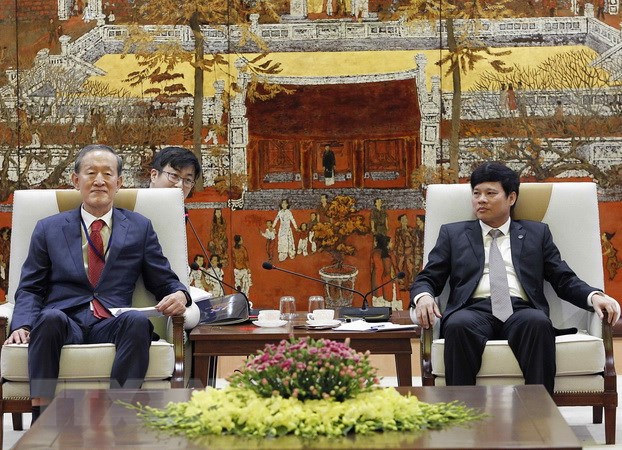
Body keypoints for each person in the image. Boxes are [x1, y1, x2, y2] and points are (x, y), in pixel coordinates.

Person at [4, 144, 191, 421]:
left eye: (107, 174)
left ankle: (120, 418)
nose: (99, 181)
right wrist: (22, 324)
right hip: (64, 321)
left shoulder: (139, 227)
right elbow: (31, 286)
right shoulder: (48, 228)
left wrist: (180, 295)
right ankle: (43, 419)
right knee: (49, 318)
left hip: (112, 321)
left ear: (119, 182)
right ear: (76, 180)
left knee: (137, 322)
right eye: (91, 173)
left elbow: (163, 280)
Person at [410, 161, 620, 395]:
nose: (481, 200)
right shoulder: (453, 234)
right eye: (476, 193)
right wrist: (423, 297)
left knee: (538, 323)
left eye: (490, 193)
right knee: (458, 325)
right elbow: (429, 277)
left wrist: (594, 296)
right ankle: (463, 412)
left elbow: (563, 278)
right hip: (472, 310)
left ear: (511, 198)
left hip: (521, 310)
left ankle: (538, 411)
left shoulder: (536, 233)